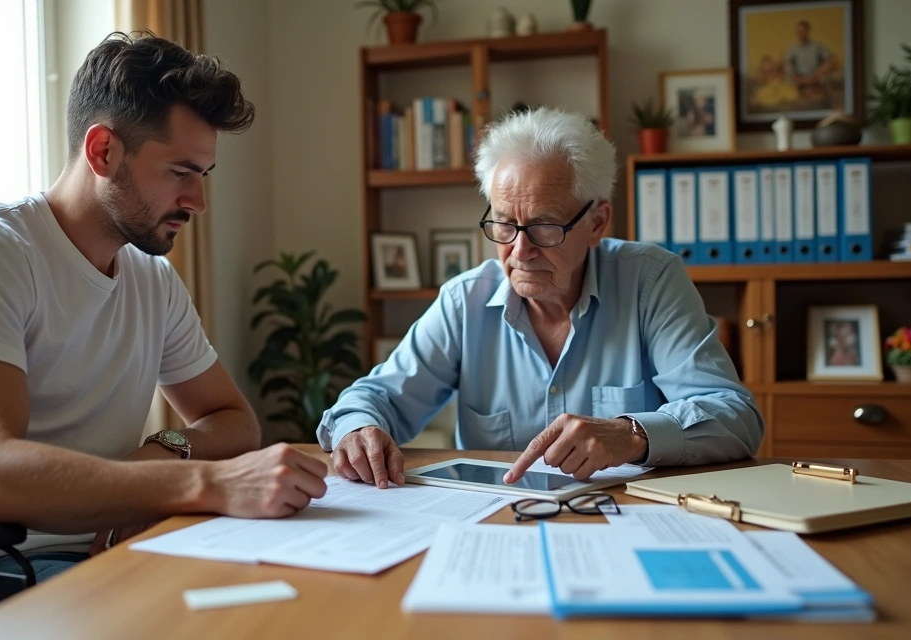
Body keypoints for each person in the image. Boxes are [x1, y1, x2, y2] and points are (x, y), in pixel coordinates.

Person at [0, 32, 328, 582]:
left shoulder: (153, 279)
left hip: (128, 545)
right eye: (180, 173)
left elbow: (234, 422)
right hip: (5, 565)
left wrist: (162, 453)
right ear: (103, 151)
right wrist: (203, 483)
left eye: (203, 175)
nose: (197, 202)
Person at [318, 108, 763, 489]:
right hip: (494, 524)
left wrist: (631, 434)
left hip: (620, 521)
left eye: (545, 226)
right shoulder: (464, 301)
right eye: (505, 225)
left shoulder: (651, 281)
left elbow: (735, 417)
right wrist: (360, 428)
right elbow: (375, 398)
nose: (519, 251)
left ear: (597, 222)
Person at [785, 20, 839, 104]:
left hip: (816, 77)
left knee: (824, 82)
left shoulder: (817, 46)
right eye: (798, 31)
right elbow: (788, 66)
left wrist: (816, 75)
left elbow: (832, 60)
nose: (801, 34)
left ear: (808, 31)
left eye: (803, 31)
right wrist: (800, 79)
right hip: (800, 79)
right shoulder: (793, 49)